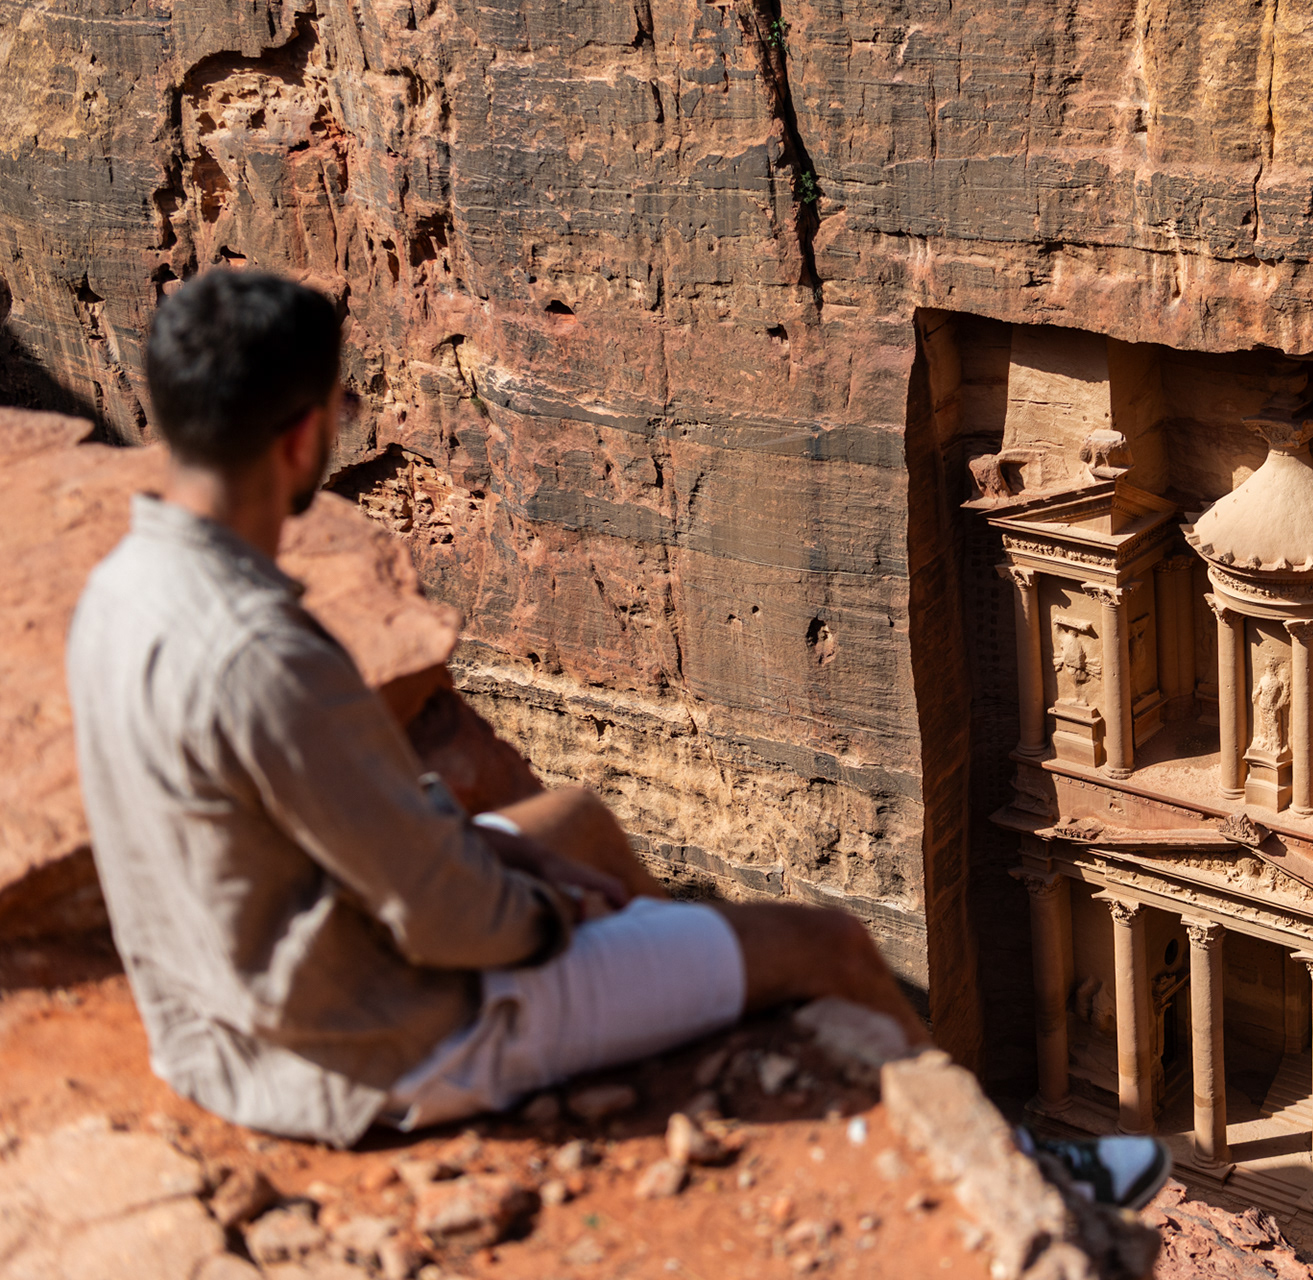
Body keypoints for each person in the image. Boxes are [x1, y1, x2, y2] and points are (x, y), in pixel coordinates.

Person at [65, 270, 925, 1147]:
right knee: (831, 945)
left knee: (578, 824)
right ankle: (1024, 1161)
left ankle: (676, 981)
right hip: (379, 1040)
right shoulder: (263, 656)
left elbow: (336, 842)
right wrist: (554, 914)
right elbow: (446, 921)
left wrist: (500, 858)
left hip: (219, 1009)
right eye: (343, 406)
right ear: (299, 442)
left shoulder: (118, 590)